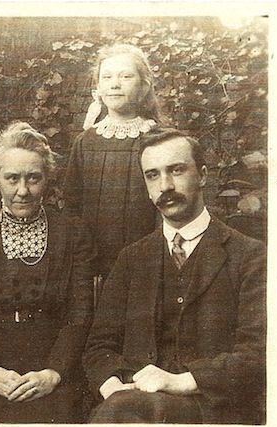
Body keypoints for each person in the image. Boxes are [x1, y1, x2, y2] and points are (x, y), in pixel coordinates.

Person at [83, 128, 266, 424]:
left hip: (213, 414)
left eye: (176, 170)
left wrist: (178, 382)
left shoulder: (250, 256)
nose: (165, 185)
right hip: (131, 411)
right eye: (152, 175)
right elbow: (99, 346)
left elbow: (259, 353)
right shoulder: (132, 259)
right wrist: (113, 388)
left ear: (203, 175)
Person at [0, 122, 95, 423]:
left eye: (34, 179)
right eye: (12, 178)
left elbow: (80, 313)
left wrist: (53, 373)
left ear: (47, 179)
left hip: (53, 368)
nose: (23, 191)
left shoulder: (72, 232)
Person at [64, 43, 163, 282]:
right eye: (106, 77)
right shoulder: (85, 142)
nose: (115, 84)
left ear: (144, 85)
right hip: (94, 267)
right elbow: (72, 206)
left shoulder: (158, 139)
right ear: (98, 87)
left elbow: (166, 206)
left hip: (148, 265)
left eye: (126, 76)